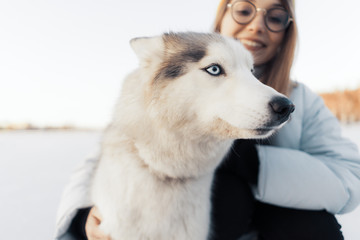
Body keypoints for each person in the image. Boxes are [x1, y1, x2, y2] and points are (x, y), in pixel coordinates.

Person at [54, 0, 360, 239]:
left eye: (275, 17)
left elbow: (348, 180)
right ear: (222, 16)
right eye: (243, 10)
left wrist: (255, 165)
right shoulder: (169, 75)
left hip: (271, 228)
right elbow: (110, 152)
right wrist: (83, 215)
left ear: (286, 33)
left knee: (311, 225)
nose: (256, 25)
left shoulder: (302, 101)